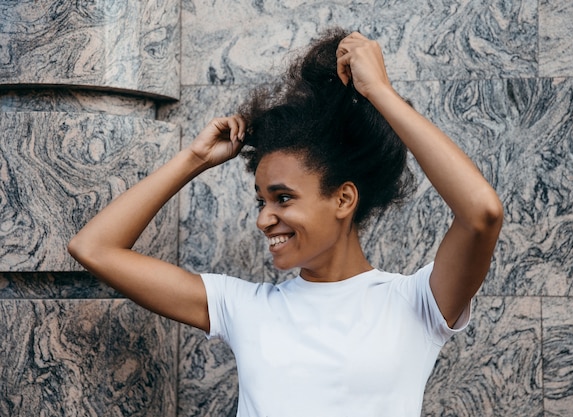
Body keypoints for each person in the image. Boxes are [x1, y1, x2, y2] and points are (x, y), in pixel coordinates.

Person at [68, 28, 503, 416]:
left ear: (343, 198)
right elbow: (94, 249)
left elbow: (481, 214)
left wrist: (380, 94)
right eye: (261, 200)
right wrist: (194, 159)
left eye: (283, 198)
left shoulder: (417, 304)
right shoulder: (245, 308)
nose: (263, 218)